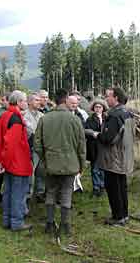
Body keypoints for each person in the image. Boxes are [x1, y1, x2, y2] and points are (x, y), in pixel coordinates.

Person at [34, 89, 86, 236]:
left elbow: (37, 144)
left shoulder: (44, 119)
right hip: (70, 164)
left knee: (50, 192)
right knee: (66, 193)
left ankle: (49, 224)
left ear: (54, 100)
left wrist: (45, 158)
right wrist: (82, 165)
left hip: (50, 164)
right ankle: (66, 225)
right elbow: (82, 146)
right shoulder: (74, 119)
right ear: (65, 100)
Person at [0, 90, 33, 231]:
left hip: (8, 163)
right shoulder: (15, 119)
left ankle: (7, 220)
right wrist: (4, 162)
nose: (26, 103)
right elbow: (11, 144)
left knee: (9, 192)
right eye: (24, 100)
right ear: (18, 102)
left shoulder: (4, 115)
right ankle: (16, 222)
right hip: (17, 163)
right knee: (18, 193)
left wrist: (0, 160)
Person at [96, 87, 136, 226]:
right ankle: (124, 214)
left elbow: (108, 138)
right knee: (122, 186)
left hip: (113, 158)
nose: (106, 99)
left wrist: (96, 135)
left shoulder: (114, 115)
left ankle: (117, 217)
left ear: (116, 98)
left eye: (108, 96)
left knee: (113, 187)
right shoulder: (128, 113)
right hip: (124, 156)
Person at [85, 99, 108, 197]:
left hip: (104, 146)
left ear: (103, 108)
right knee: (94, 168)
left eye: (100, 107)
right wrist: (93, 133)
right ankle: (96, 188)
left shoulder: (107, 118)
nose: (98, 109)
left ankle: (102, 186)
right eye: (96, 107)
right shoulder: (90, 119)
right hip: (93, 146)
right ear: (93, 108)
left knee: (103, 168)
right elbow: (85, 130)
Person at [24, 93, 45, 202]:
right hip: (30, 147)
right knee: (30, 173)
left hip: (41, 147)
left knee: (41, 171)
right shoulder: (24, 115)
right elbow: (31, 131)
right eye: (36, 100)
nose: (39, 102)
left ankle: (40, 193)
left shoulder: (41, 115)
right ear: (29, 102)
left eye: (39, 100)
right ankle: (28, 195)